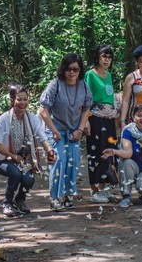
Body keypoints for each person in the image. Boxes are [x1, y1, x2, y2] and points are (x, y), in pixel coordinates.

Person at [0, 84, 56, 217]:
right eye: (19, 99)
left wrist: (49, 151)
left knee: (29, 179)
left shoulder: (31, 118)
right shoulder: (5, 118)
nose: (22, 103)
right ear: (12, 100)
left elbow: (42, 137)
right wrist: (13, 155)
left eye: (25, 99)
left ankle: (20, 200)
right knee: (15, 174)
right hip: (2, 159)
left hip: (22, 159)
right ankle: (7, 203)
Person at [39, 54, 93, 211]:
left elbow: (86, 108)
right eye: (68, 69)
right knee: (59, 161)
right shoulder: (55, 85)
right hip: (56, 129)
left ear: (80, 70)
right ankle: (55, 198)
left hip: (74, 129)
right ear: (63, 69)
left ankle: (68, 197)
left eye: (76, 69)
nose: (72, 72)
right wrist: (54, 132)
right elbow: (43, 109)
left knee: (73, 162)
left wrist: (80, 129)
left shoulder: (83, 86)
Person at [84, 45, 119, 203]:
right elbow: (85, 99)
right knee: (96, 151)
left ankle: (105, 188)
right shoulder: (90, 75)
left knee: (109, 151)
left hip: (109, 119)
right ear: (97, 57)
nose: (106, 60)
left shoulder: (109, 75)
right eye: (104, 56)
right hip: (95, 118)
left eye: (109, 57)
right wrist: (86, 120)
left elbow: (110, 98)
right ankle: (95, 189)